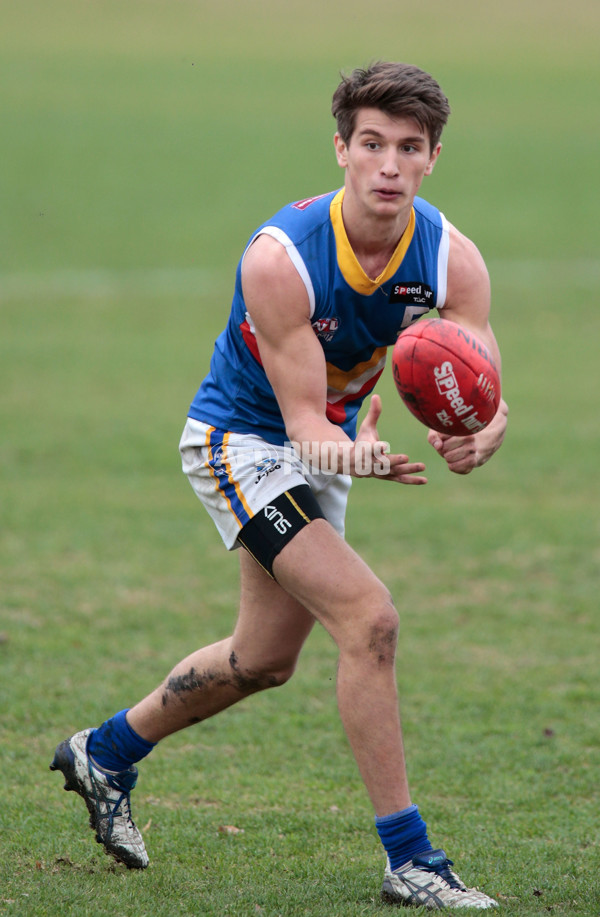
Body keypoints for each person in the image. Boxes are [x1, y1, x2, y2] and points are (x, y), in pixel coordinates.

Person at [51, 61, 508, 909]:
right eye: (371, 143)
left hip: (323, 445)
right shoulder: (282, 260)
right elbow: (302, 429)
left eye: (409, 148)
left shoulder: (453, 257)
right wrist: (357, 452)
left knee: (263, 659)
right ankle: (411, 860)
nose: (388, 165)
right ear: (340, 148)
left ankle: (104, 752)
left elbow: (484, 389)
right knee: (369, 620)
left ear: (433, 157)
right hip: (243, 442)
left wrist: (477, 432)